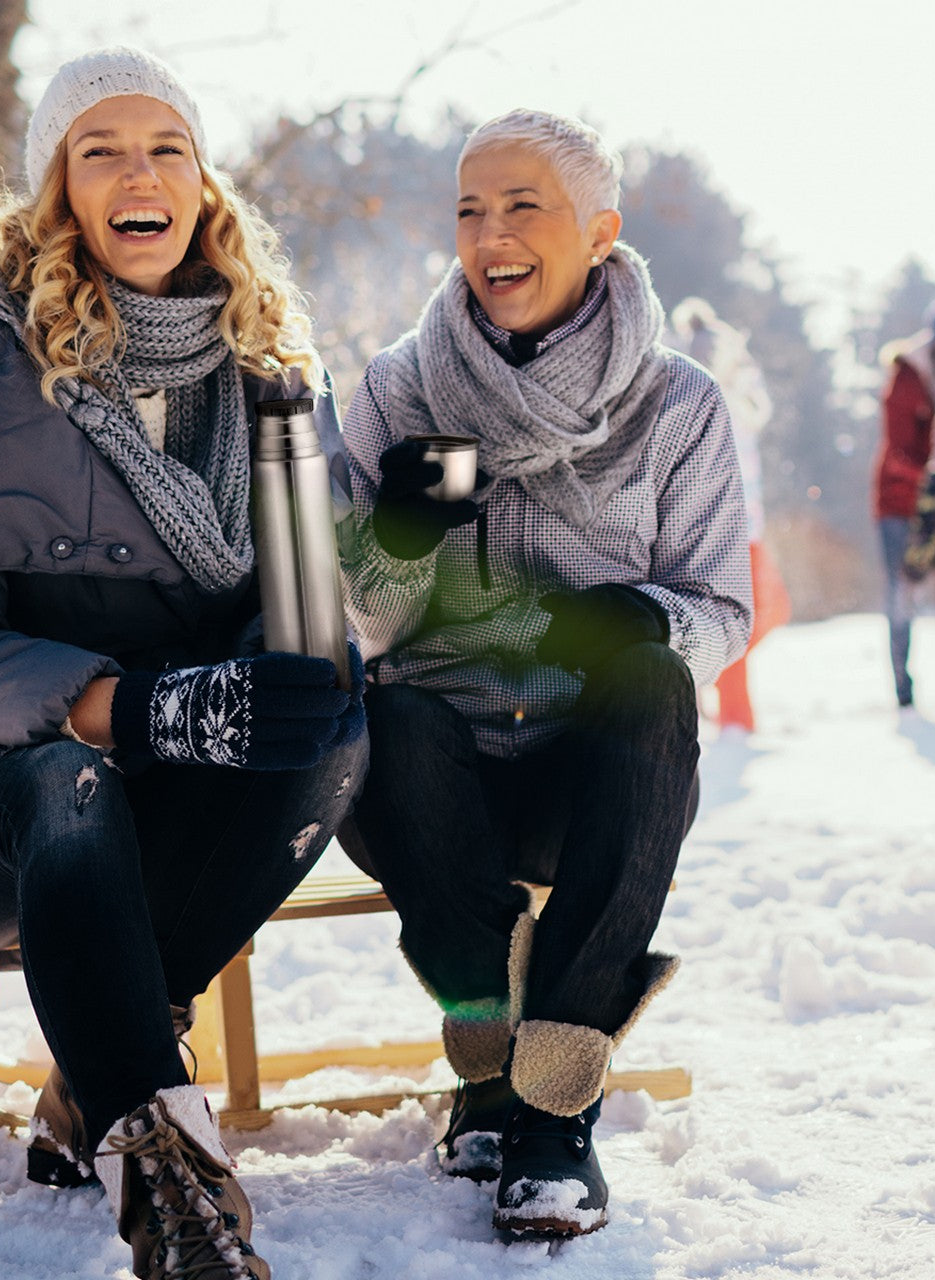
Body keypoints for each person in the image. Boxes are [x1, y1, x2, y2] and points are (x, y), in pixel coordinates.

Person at [0, 46, 365, 1280]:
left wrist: (303, 637)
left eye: (166, 147)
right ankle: (173, 1196)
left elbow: (314, 618)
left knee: (331, 714)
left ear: (204, 181)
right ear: (57, 188)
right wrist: (145, 707)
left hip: (182, 783)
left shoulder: (272, 364)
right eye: (99, 149)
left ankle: (98, 1064)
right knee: (73, 784)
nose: (138, 172)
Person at [336, 109, 751, 1239]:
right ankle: (485, 1057)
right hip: (434, 775)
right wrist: (402, 532)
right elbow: (344, 624)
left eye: (523, 205)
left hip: (588, 780)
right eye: (470, 208)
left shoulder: (677, 406)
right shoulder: (396, 392)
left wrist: (635, 619)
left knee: (656, 681)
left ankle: (552, 1104)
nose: (490, 233)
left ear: (600, 232)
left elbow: (721, 609)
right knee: (391, 712)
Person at [670, 297, 790, 732]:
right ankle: (735, 715)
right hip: (722, 529)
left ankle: (707, 677)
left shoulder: (734, 397)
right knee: (741, 618)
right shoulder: (705, 392)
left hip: (746, 524)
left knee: (767, 611)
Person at [872, 297, 935, 707]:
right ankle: (903, 690)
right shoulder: (909, 373)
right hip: (902, 505)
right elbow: (900, 450)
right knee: (902, 592)